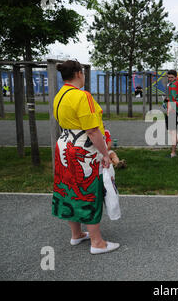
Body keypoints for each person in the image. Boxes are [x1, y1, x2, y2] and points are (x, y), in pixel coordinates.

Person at [52, 60, 120, 255]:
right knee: (90, 191)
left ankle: (77, 234)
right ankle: (97, 243)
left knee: (69, 190)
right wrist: (106, 154)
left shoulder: (59, 96)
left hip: (64, 145)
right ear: (79, 73)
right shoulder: (83, 96)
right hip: (83, 150)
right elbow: (92, 130)